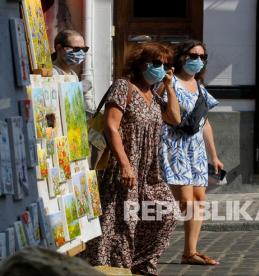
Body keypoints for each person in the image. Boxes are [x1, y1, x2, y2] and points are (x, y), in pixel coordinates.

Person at [82, 42, 181, 275]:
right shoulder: (123, 86)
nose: (162, 67)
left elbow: (175, 118)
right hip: (123, 165)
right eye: (157, 63)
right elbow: (110, 127)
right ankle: (114, 267)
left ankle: (139, 263)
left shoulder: (154, 95)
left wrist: (169, 85)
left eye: (166, 64)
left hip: (149, 169)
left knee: (165, 213)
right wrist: (126, 165)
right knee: (120, 220)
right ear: (141, 63)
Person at [159, 40, 224, 265]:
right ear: (182, 57)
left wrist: (213, 155)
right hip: (174, 146)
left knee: (199, 199)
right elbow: (166, 115)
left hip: (195, 149)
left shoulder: (200, 86)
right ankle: (150, 245)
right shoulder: (168, 82)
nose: (197, 60)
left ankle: (190, 252)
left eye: (202, 57)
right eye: (193, 55)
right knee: (185, 201)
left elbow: (205, 123)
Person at [51, 29, 95, 112]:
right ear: (59, 48)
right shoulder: (52, 73)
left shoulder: (73, 75)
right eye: (76, 49)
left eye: (84, 49)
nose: (81, 53)